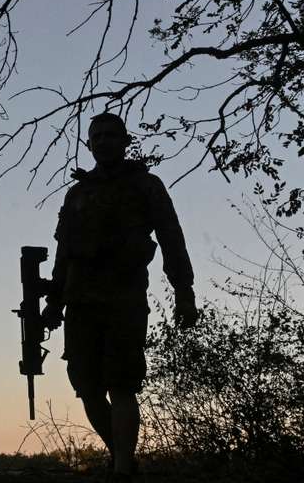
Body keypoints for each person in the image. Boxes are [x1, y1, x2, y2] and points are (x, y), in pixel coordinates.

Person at [42, 112, 198, 481]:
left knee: (123, 384)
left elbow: (171, 238)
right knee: (87, 387)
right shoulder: (78, 192)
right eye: (97, 136)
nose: (104, 141)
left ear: (125, 141)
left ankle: (123, 470)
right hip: (81, 301)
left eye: (112, 135)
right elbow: (64, 251)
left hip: (124, 299)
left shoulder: (145, 185)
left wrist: (184, 292)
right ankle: (122, 459)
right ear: (89, 144)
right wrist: (54, 301)